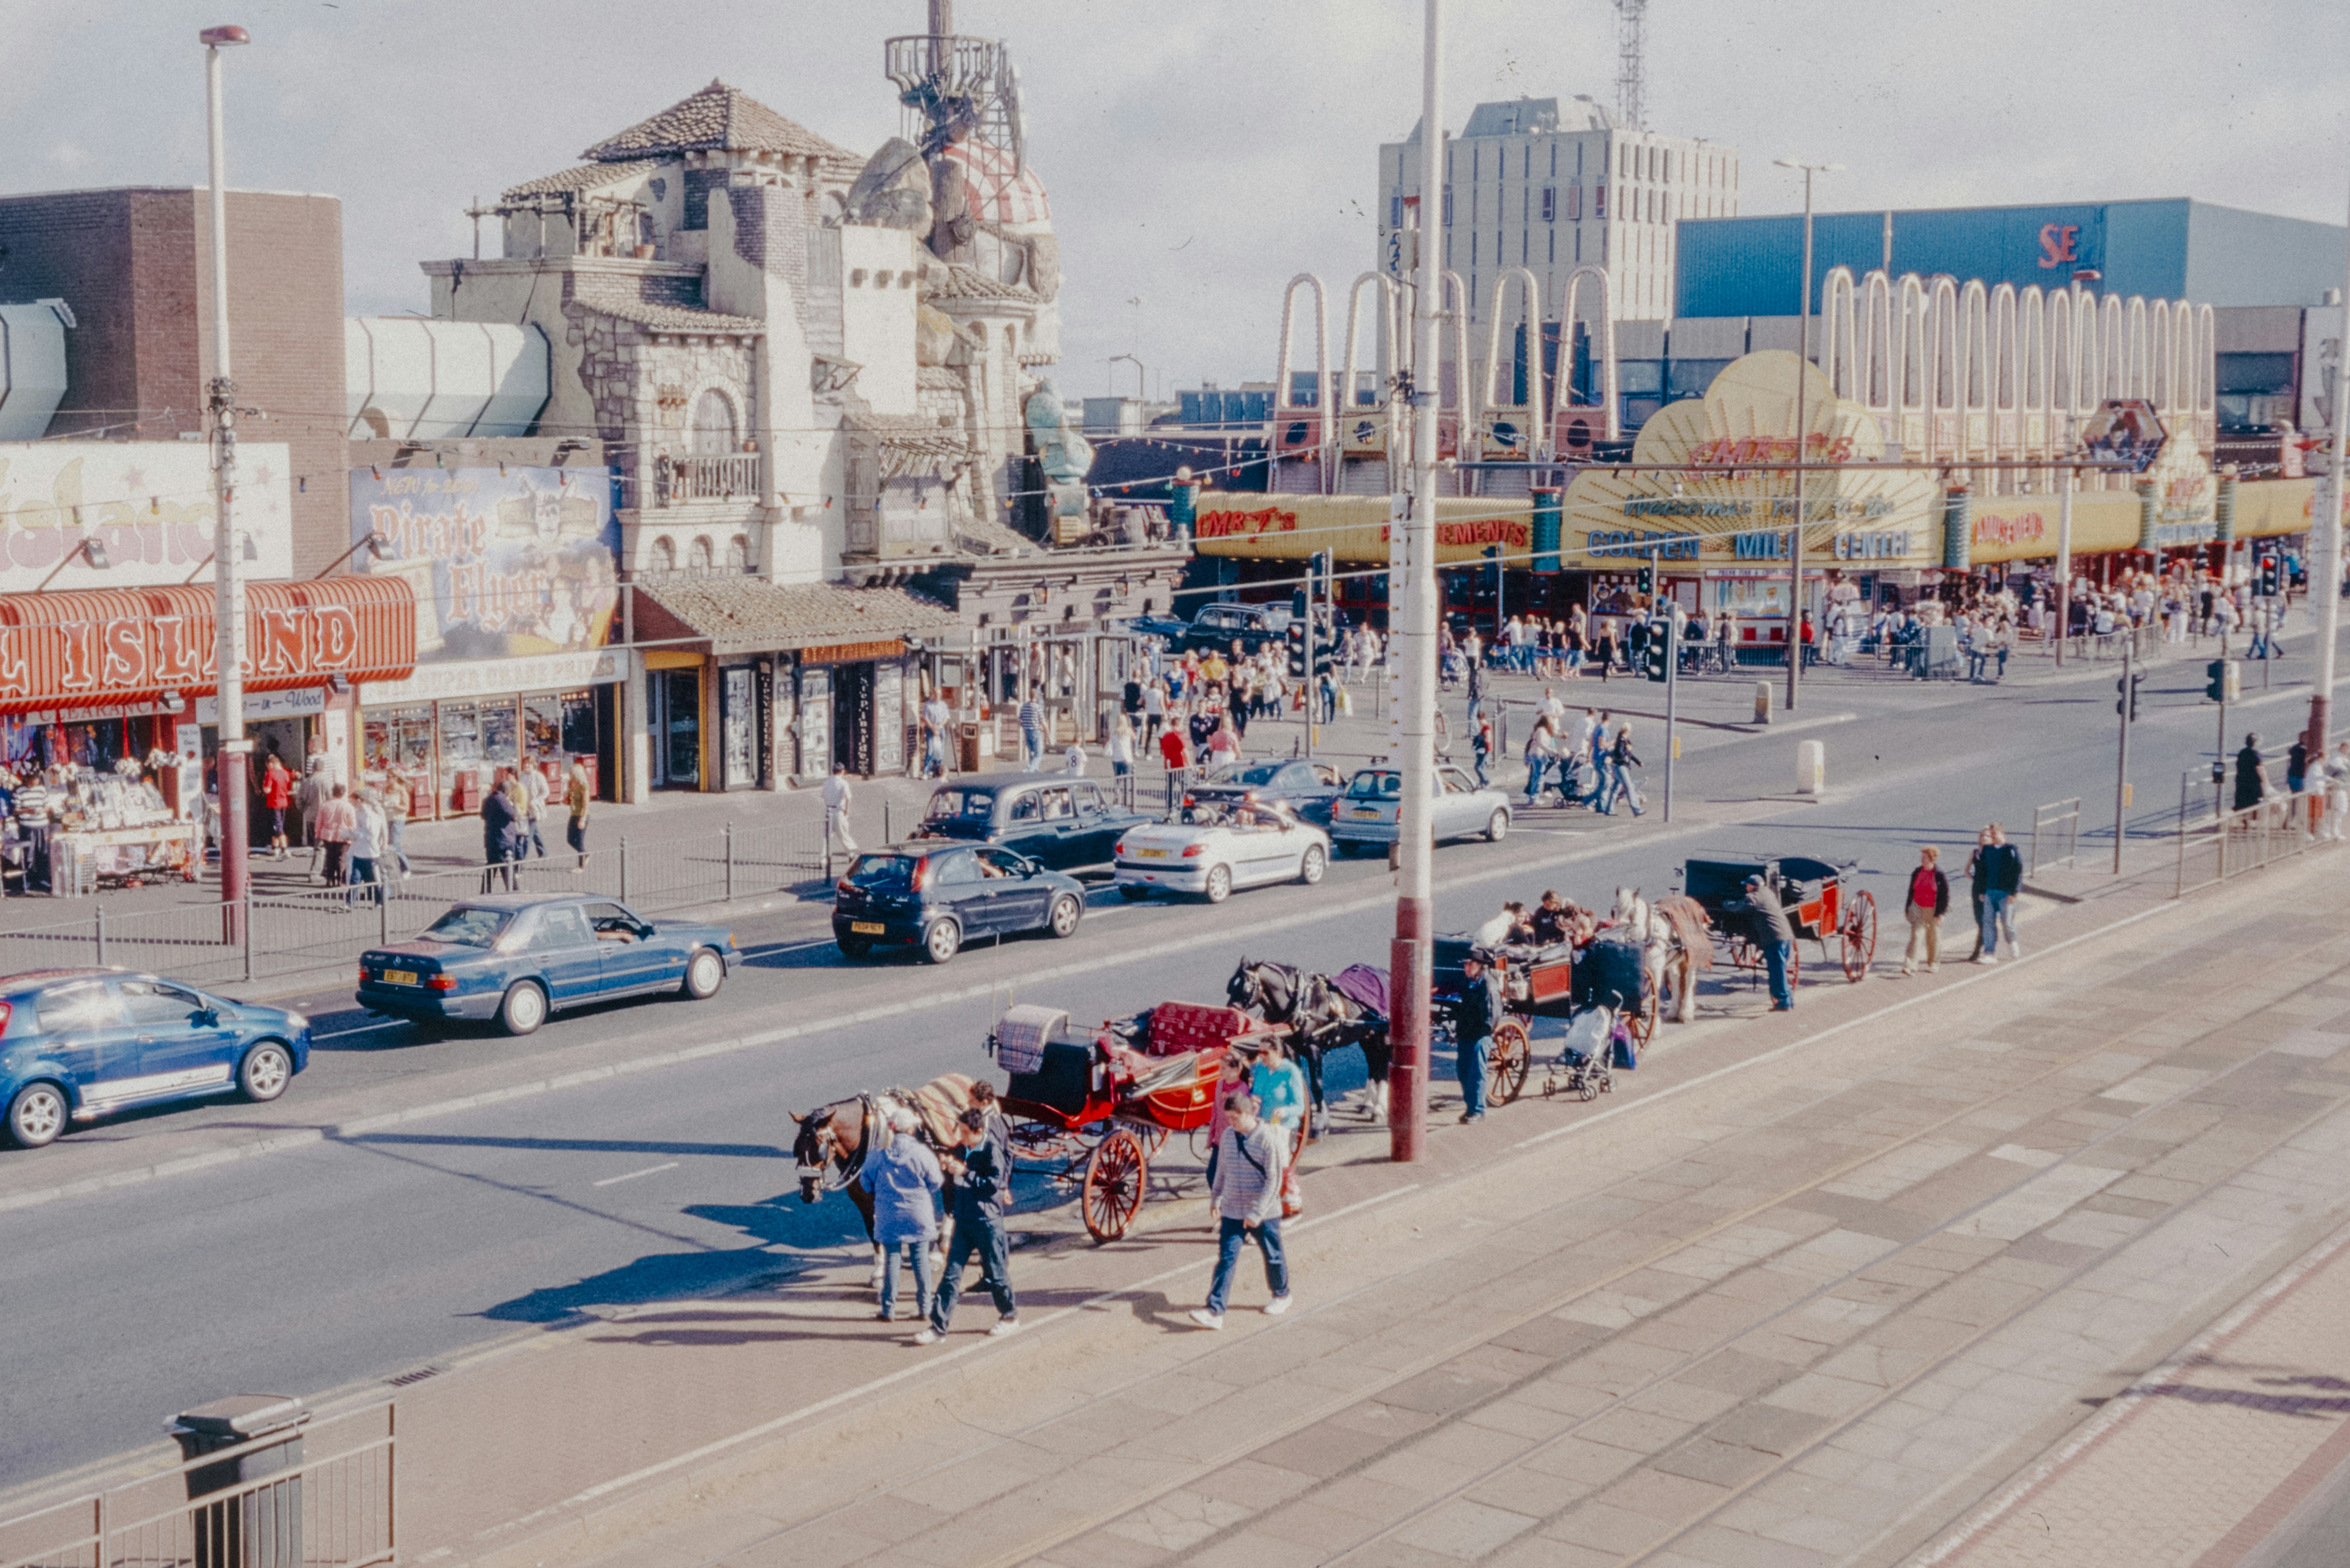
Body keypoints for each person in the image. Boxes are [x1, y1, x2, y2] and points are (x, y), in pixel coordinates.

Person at [914, 1105, 1020, 1343]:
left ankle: (1010, 1316)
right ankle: (938, 1327)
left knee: (996, 1272)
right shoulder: (963, 1148)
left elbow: (993, 1187)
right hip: (963, 1222)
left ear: (978, 1131)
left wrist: (965, 1171)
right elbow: (955, 1164)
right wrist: (947, 1162)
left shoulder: (991, 1151)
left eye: (964, 1132)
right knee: (951, 1275)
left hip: (987, 1223)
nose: (960, 1137)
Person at [1188, 1092, 1292, 1328]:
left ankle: (1282, 1294)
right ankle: (1215, 1312)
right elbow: (1222, 1170)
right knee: (1226, 1258)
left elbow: (1274, 1181)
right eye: (1228, 1118)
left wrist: (1256, 1213)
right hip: (1233, 1210)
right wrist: (1215, 1198)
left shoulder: (1268, 1139)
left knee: (1273, 1255)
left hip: (1263, 1214)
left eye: (1234, 1118)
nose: (1231, 1123)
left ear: (1248, 1114)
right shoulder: (1227, 1137)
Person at [859, 1106, 943, 1324]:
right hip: (918, 1214)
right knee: (920, 1260)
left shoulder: (877, 1155)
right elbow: (936, 1181)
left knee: (892, 1262)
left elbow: (865, 1183)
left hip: (889, 1215)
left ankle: (889, 1309)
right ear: (912, 1128)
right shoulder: (922, 1153)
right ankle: (925, 1308)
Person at [1735, 873, 1797, 1011]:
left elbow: (1743, 906)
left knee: (1777, 972)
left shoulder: (1756, 896)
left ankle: (1782, 1003)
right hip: (1785, 936)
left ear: (1752, 886)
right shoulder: (1768, 892)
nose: (1746, 888)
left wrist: (1727, 904)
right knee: (1781, 970)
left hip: (1775, 938)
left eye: (1747, 885)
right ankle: (1789, 1001)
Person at [1454, 951, 1503, 1121]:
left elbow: (1492, 1016)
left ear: (1480, 966)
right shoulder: (1467, 983)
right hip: (1468, 1032)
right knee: (1462, 1068)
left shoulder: (1488, 986)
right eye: (1466, 965)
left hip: (1483, 1033)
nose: (1467, 968)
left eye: (1471, 965)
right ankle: (1470, 1107)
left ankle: (1478, 1110)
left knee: (1477, 1067)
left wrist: (1480, 1034)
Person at [1976, 823, 2023, 963]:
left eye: (1994, 834)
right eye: (1990, 834)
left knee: (2007, 922)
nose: (1992, 837)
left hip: (2006, 892)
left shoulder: (2011, 850)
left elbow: (2018, 871)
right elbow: (1982, 872)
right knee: (1988, 922)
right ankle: (1990, 953)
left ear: (2002, 834)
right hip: (1990, 891)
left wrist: (2014, 892)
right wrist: (1982, 890)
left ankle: (2012, 942)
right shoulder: (1987, 850)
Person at [1249, 1036, 1309, 1144]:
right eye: (1260, 1052)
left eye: (1265, 1053)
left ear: (1277, 1053)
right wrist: (1252, 1097)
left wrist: (1285, 1111)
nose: (1261, 1056)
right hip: (1262, 1127)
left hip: (1284, 1129)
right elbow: (1253, 1091)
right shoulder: (1259, 1068)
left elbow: (1300, 1107)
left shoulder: (1290, 1071)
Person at [1900, 845, 1949, 976]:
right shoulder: (1917, 872)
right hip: (1917, 907)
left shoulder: (1939, 875)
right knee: (1917, 935)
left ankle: (1933, 963)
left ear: (1933, 859)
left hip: (1933, 909)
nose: (1923, 860)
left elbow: (1944, 896)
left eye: (1926, 858)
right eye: (1922, 858)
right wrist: (1907, 909)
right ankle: (1910, 964)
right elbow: (1911, 891)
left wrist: (1941, 913)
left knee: (1933, 937)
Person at [480, 775, 520, 893]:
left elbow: (483, 815)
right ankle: (514, 892)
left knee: (491, 867)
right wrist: (515, 803)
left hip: (491, 839)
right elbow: (515, 817)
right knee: (507, 869)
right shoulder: (502, 800)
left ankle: (485, 894)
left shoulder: (488, 799)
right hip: (504, 839)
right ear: (507, 790)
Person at [314, 781, 356, 890]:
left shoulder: (325, 805)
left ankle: (330, 879)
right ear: (344, 793)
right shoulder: (348, 807)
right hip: (343, 835)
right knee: (342, 858)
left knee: (330, 857)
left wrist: (317, 832)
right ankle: (342, 880)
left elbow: (319, 821)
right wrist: (353, 835)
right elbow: (352, 824)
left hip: (327, 835)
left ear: (333, 792)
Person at [260, 753, 295, 860]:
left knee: (278, 827)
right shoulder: (286, 773)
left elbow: (267, 790)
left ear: (271, 764)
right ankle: (275, 847)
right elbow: (289, 787)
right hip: (284, 802)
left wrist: (263, 785)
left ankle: (284, 849)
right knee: (277, 826)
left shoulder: (270, 774)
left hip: (273, 803)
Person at [381, 769, 413, 878]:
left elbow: (406, 808)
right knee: (388, 845)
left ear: (396, 778)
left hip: (398, 819)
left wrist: (396, 806)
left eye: (390, 777)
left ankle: (406, 868)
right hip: (386, 819)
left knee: (395, 845)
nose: (388, 779)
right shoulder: (384, 790)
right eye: (387, 777)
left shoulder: (401, 791)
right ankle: (393, 868)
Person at [822, 764, 858, 854]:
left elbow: (824, 796)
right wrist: (847, 810)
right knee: (844, 834)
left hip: (829, 811)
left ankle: (823, 859)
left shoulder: (827, 782)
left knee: (827, 837)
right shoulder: (843, 783)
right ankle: (852, 854)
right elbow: (848, 797)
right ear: (842, 771)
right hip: (839, 811)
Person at [565, 761, 592, 871]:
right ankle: (586, 854)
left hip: (582, 815)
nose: (570, 775)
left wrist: (583, 819)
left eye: (572, 773)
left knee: (580, 840)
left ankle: (581, 867)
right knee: (570, 839)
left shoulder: (584, 787)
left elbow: (586, 804)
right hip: (573, 814)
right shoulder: (571, 783)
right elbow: (569, 798)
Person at [2234, 732, 2269, 813]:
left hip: (2241, 782)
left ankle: (2244, 821)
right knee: (2254, 804)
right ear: (2256, 742)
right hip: (2253, 784)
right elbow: (2260, 768)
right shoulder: (2255, 753)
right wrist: (2266, 782)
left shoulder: (2242, 752)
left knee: (2243, 804)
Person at [922, 690, 952, 779]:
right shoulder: (927, 705)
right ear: (932, 695)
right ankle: (926, 772)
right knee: (931, 750)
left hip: (940, 729)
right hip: (930, 728)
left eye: (939, 694)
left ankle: (937, 772)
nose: (937, 696)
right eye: (935, 694)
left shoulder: (943, 705)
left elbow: (946, 718)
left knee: (939, 752)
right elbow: (925, 717)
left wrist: (939, 727)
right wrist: (933, 728)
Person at [1016, 693, 1044, 773]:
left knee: (1032, 753)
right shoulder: (1037, 707)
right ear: (1036, 697)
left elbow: (1019, 719)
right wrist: (1047, 732)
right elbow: (1043, 721)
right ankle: (1029, 769)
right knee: (1039, 754)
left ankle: (1035, 771)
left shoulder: (1024, 707)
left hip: (1027, 731)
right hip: (1036, 731)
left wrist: (1024, 726)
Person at [1109, 711, 1136, 778]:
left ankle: (1117, 789)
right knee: (1127, 778)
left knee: (1117, 778)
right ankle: (1126, 789)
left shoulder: (1113, 731)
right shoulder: (1128, 731)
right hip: (1126, 757)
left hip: (1116, 757)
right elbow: (1134, 738)